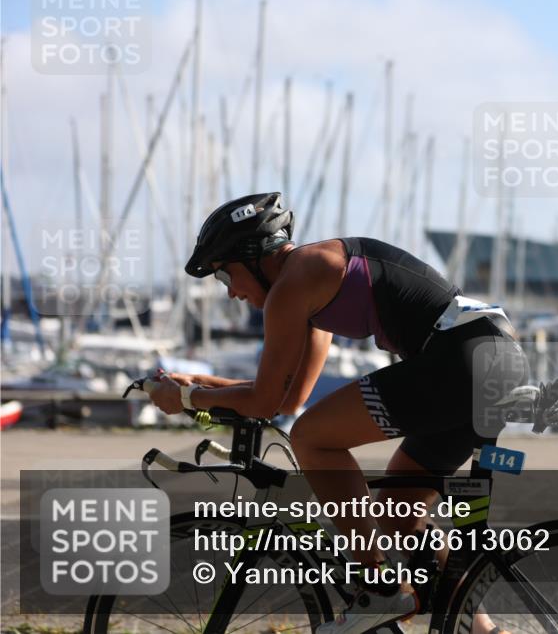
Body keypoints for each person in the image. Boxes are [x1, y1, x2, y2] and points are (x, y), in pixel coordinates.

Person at [149, 192, 526, 634]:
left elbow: (269, 405)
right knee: (397, 516)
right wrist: (200, 388)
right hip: (488, 357)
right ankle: (481, 629)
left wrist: (190, 402)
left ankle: (379, 592)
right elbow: (288, 396)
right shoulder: (310, 279)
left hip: (462, 359)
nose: (231, 292)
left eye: (226, 275)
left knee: (311, 438)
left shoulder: (293, 284)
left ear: (253, 258)